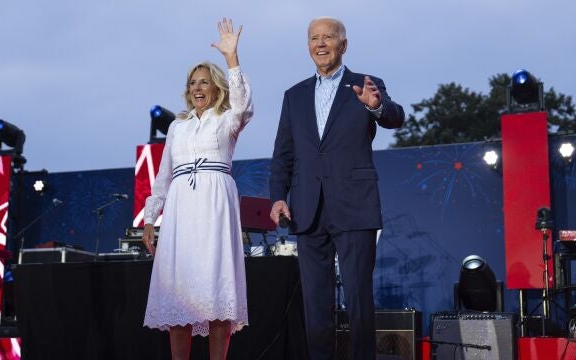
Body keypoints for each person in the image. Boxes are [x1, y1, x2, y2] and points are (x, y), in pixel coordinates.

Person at [269, 17, 405, 360]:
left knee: (359, 300)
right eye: (314, 38)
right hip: (307, 210)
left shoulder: (366, 84)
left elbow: (395, 116)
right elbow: (283, 154)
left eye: (328, 37)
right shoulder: (294, 95)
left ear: (343, 45)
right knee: (315, 305)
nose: (320, 44)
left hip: (354, 206)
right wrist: (277, 198)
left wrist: (375, 106)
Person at [142, 18, 251, 360]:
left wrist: (232, 58)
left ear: (216, 86)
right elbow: (163, 176)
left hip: (214, 207)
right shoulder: (178, 126)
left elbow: (244, 104)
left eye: (204, 82)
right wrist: (149, 218)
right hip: (180, 213)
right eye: (192, 83)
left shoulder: (227, 118)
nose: (197, 88)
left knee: (216, 296)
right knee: (178, 296)